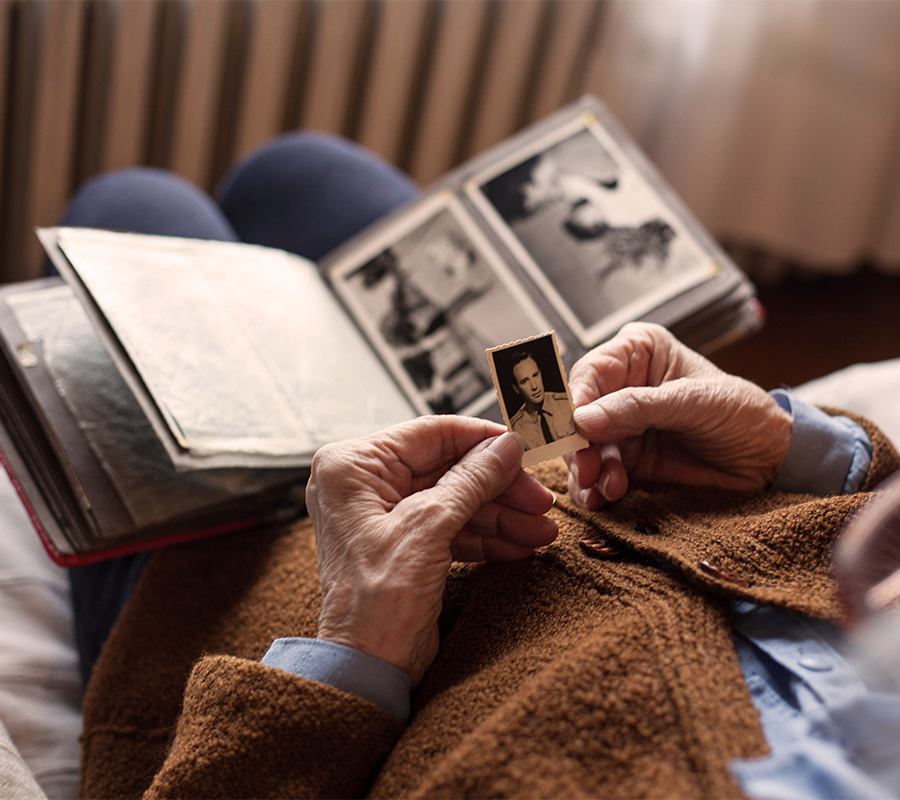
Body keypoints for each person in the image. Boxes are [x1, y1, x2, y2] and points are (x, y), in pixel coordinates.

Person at [60, 135, 900, 799]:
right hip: (656, 483)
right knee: (297, 173)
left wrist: (359, 646)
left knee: (130, 206)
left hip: (246, 598)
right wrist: (803, 449)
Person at [507, 350, 576, 447]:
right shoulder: (516, 429)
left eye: (535, 375)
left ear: (541, 374)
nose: (534, 386)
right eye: (525, 381)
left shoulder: (568, 403)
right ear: (516, 388)